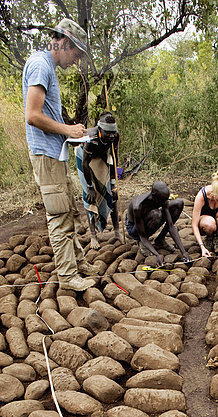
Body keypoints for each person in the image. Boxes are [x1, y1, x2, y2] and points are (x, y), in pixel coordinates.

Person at [23, 18, 98, 292]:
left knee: (68, 209)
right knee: (59, 216)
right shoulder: (41, 65)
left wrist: (70, 135)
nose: (76, 61)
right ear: (64, 43)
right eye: (76, 54)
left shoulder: (47, 67)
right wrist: (67, 128)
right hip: (46, 155)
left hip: (56, 153)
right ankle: (68, 277)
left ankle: (78, 262)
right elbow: (32, 115)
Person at [75, 111, 122, 250]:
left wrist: (113, 185)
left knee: (112, 196)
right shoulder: (91, 138)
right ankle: (93, 235)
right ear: (100, 129)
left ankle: (117, 231)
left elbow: (114, 158)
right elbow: (85, 163)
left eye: (113, 132)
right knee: (90, 197)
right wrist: (89, 186)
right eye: (107, 133)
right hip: (84, 158)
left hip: (101, 157)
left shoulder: (115, 136)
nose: (111, 135)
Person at [126, 181, 191, 266]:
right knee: (156, 214)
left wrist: (183, 252)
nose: (164, 203)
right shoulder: (138, 206)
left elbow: (171, 226)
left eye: (165, 200)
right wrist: (157, 255)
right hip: (135, 229)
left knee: (178, 203)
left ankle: (160, 239)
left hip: (150, 217)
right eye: (162, 201)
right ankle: (142, 244)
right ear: (154, 196)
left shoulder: (162, 199)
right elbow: (142, 236)